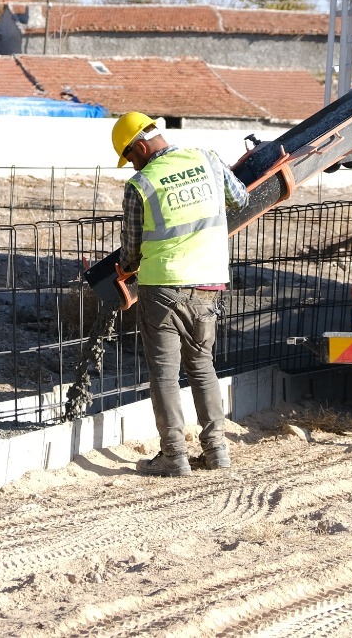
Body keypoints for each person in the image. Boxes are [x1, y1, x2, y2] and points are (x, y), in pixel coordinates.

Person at [110, 112, 249, 476]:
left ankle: (174, 457)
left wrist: (124, 269)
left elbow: (131, 249)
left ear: (140, 146)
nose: (132, 165)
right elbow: (241, 199)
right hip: (208, 285)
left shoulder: (141, 184)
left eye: (130, 157)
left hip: (162, 288)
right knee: (203, 367)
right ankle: (217, 451)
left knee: (165, 375)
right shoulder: (209, 158)